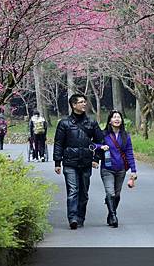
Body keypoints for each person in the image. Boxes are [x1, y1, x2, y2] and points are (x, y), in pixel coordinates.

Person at [53, 94, 104, 230]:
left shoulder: (91, 123)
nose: (84, 104)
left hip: (86, 162)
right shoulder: (64, 123)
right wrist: (57, 162)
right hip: (69, 162)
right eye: (81, 102)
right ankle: (73, 218)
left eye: (84, 102)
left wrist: (96, 158)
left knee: (84, 193)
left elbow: (100, 142)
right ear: (73, 105)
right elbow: (58, 143)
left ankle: (80, 217)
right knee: (73, 191)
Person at [97, 110, 137, 228]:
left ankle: (110, 213)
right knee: (110, 192)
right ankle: (114, 216)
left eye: (119, 117)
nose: (117, 119)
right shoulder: (103, 134)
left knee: (117, 195)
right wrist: (101, 146)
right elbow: (93, 145)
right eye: (114, 117)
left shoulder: (125, 136)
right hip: (107, 169)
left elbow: (129, 153)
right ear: (110, 121)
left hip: (121, 169)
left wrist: (133, 170)